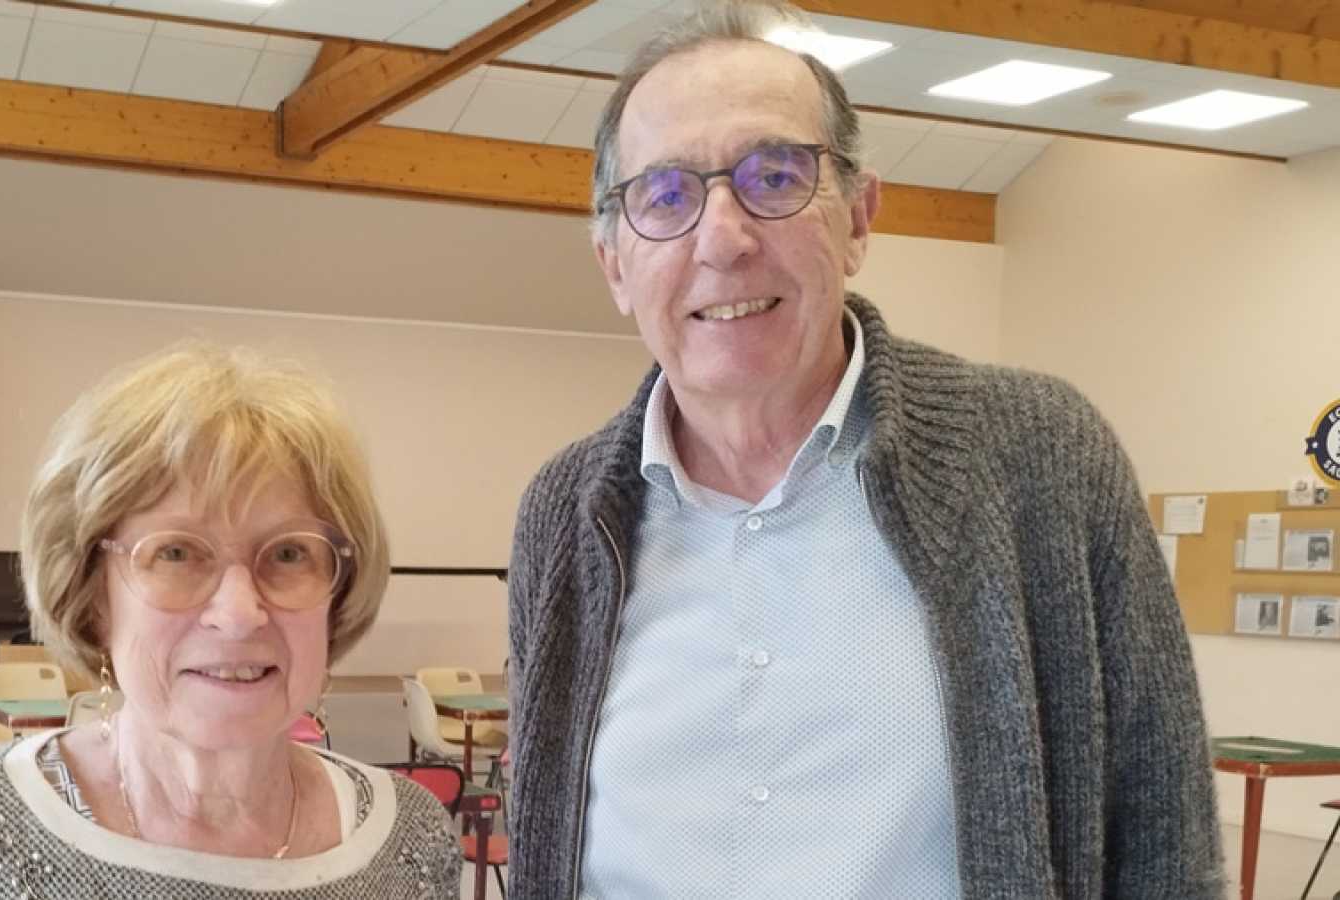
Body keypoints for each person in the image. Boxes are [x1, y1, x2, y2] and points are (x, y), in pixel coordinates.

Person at [504, 2, 1222, 897]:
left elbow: (1164, 841)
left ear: (858, 219)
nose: (722, 239)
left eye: (774, 177)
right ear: (614, 262)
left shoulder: (1039, 455)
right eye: (666, 196)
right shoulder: (562, 511)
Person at [0, 345, 461, 899]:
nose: (239, 613)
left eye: (289, 554)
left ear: (338, 592)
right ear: (93, 594)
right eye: (175, 553)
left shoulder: (410, 841)